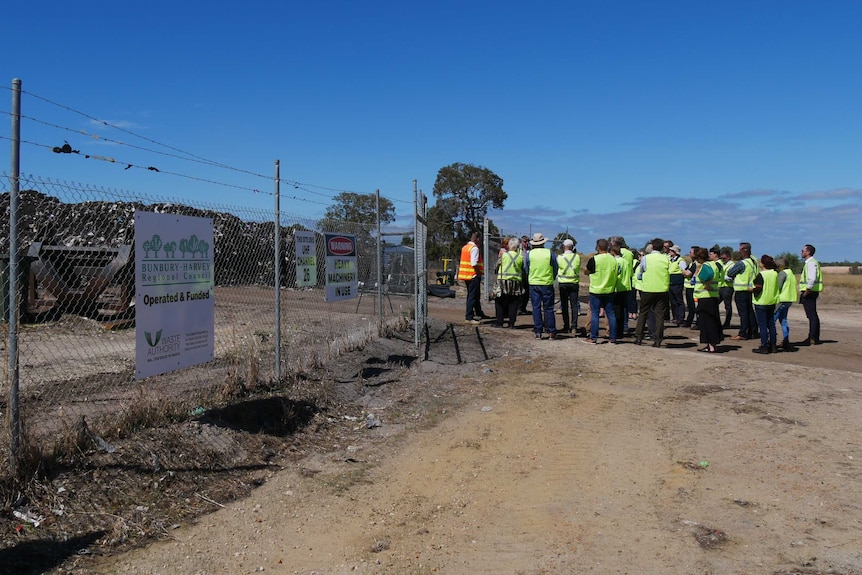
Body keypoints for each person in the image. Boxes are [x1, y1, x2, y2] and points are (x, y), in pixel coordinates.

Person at [635, 238, 671, 347]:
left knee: (643, 313)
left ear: (652, 247)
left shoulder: (646, 258)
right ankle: (658, 339)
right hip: (662, 289)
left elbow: (641, 271)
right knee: (659, 315)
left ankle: (638, 337)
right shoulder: (666, 258)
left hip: (648, 288)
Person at [585, 238, 620, 344]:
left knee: (595, 313)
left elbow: (587, 271)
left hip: (596, 289)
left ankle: (593, 337)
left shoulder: (594, 259)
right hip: (609, 289)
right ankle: (613, 337)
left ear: (598, 247)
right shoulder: (613, 259)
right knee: (610, 314)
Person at [524, 233, 558, 339]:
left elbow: (526, 268)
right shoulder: (549, 253)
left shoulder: (529, 254)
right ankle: (551, 331)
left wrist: (531, 276)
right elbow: (555, 266)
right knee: (548, 308)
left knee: (536, 307)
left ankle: (538, 331)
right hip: (546, 282)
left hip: (534, 283)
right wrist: (552, 277)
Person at [725, 242, 759, 341]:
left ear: (745, 250)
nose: (739, 252)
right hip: (749, 290)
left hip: (741, 290)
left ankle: (743, 333)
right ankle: (753, 331)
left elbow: (730, 273)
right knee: (750, 312)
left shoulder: (742, 263)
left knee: (743, 313)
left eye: (740, 250)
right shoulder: (753, 262)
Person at [693, 247, 722, 353]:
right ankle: (712, 344)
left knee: (707, 323)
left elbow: (708, 275)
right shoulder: (714, 264)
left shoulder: (705, 266)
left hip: (705, 297)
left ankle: (710, 346)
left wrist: (707, 283)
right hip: (713, 296)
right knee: (713, 321)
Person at [493, 237, 524, 329]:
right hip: (516, 281)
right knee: (513, 302)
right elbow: (522, 268)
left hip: (503, 280)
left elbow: (497, 265)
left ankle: (499, 322)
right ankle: (511, 323)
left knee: (499, 302)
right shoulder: (520, 257)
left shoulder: (504, 255)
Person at [751, 255, 780, 354]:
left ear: (763, 264)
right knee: (771, 324)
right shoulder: (775, 273)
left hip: (761, 302)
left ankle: (764, 346)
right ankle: (773, 345)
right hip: (771, 301)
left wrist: (751, 290)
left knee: (763, 325)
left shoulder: (761, 275)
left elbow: (758, 288)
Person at [458, 231, 487, 325]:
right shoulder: (474, 248)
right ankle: (469, 317)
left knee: (473, 295)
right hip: (473, 275)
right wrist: (478, 273)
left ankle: (478, 313)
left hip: (466, 275)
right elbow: (474, 263)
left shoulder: (465, 247)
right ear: (477, 239)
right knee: (472, 296)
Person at [609, 236, 635, 340]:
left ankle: (614, 331)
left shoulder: (612, 261)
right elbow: (630, 273)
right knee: (624, 309)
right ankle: (624, 327)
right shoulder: (627, 259)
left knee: (615, 311)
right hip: (626, 286)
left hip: (616, 287)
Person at [556, 238, 581, 335]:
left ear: (564, 247)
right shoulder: (577, 257)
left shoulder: (560, 257)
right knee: (574, 306)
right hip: (574, 283)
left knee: (564, 305)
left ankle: (566, 326)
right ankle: (574, 326)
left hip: (563, 283)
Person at [799, 243, 823, 345]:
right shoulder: (811, 263)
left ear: (808, 252)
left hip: (809, 292)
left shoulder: (811, 263)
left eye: (803, 251)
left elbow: (812, 278)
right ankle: (813, 337)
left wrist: (807, 290)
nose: (801, 252)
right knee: (813, 315)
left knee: (812, 316)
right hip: (811, 291)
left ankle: (812, 337)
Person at [774, 256, 797, 351]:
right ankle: (786, 339)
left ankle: (770, 340)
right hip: (789, 299)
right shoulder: (791, 273)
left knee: (772, 320)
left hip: (782, 299)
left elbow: (778, 286)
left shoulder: (782, 273)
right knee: (783, 320)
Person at [667, 245, 686, 326]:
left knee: (679, 300)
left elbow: (684, 270)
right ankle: (675, 317)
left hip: (677, 282)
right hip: (670, 282)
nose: (670, 252)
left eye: (671, 251)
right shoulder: (670, 260)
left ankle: (680, 318)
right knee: (673, 301)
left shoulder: (680, 261)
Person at [681, 245, 700, 328]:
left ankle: (694, 322)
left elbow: (688, 273)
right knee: (690, 306)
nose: (689, 253)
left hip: (693, 288)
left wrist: (684, 272)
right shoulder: (691, 263)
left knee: (693, 306)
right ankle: (690, 321)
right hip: (689, 287)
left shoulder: (695, 264)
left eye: (691, 252)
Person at [718, 246, 735, 328]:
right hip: (721, 287)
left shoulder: (732, 265)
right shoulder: (723, 264)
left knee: (727, 306)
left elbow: (731, 277)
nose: (722, 259)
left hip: (728, 287)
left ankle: (727, 323)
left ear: (728, 257)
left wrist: (722, 277)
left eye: (724, 258)